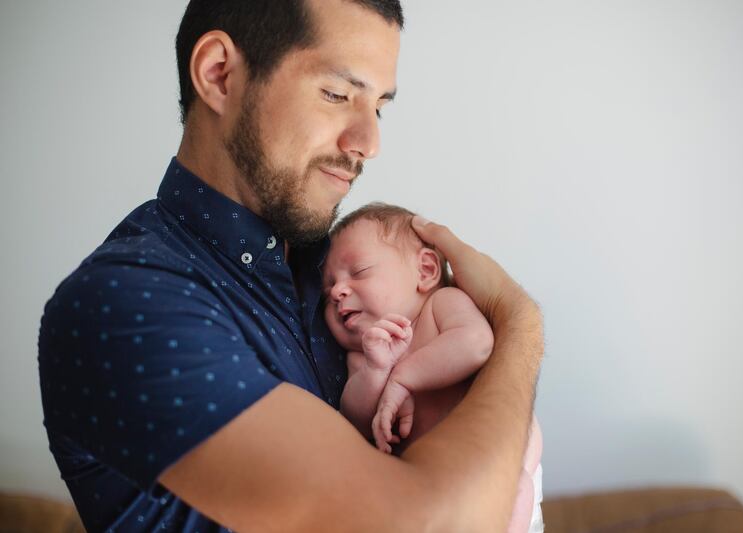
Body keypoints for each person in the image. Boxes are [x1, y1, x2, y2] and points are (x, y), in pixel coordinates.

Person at [38, 0, 543, 531]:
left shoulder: (342, 264)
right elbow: (431, 524)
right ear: (219, 75)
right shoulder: (120, 306)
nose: (369, 144)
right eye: (337, 94)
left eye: (379, 107)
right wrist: (519, 320)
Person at [323, 203, 545, 533]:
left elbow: (475, 344)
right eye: (328, 290)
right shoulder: (365, 352)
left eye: (358, 272)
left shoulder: (441, 307)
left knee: (515, 491)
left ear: (425, 271)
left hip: (500, 466)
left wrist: (402, 378)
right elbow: (355, 415)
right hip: (430, 489)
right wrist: (375, 370)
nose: (338, 291)